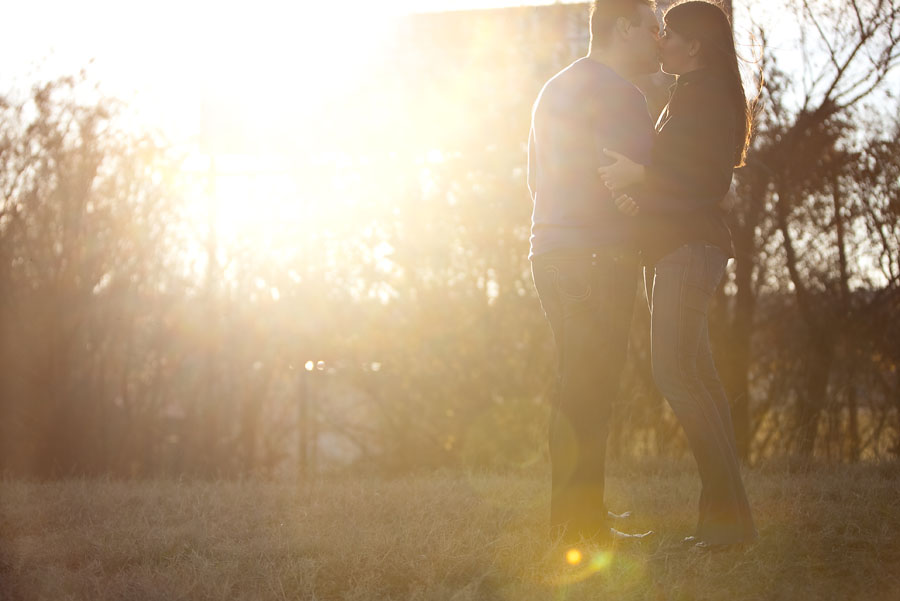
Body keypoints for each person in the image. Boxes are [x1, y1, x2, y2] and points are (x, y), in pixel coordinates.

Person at [597, 0, 759, 550]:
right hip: (676, 245)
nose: (659, 39)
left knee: (674, 374)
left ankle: (725, 525)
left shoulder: (706, 94)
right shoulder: (690, 95)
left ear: (694, 45)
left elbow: (708, 183)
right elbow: (680, 180)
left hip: (689, 250)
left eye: (668, 33)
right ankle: (729, 522)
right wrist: (640, 196)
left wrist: (639, 174)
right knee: (701, 381)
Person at [527, 0, 660, 547]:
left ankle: (577, 519)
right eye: (651, 27)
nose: (657, 39)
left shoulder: (553, 88)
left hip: (550, 250)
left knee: (575, 385)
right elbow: (645, 178)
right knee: (591, 388)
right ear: (624, 28)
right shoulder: (623, 95)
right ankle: (578, 526)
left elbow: (537, 179)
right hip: (599, 254)